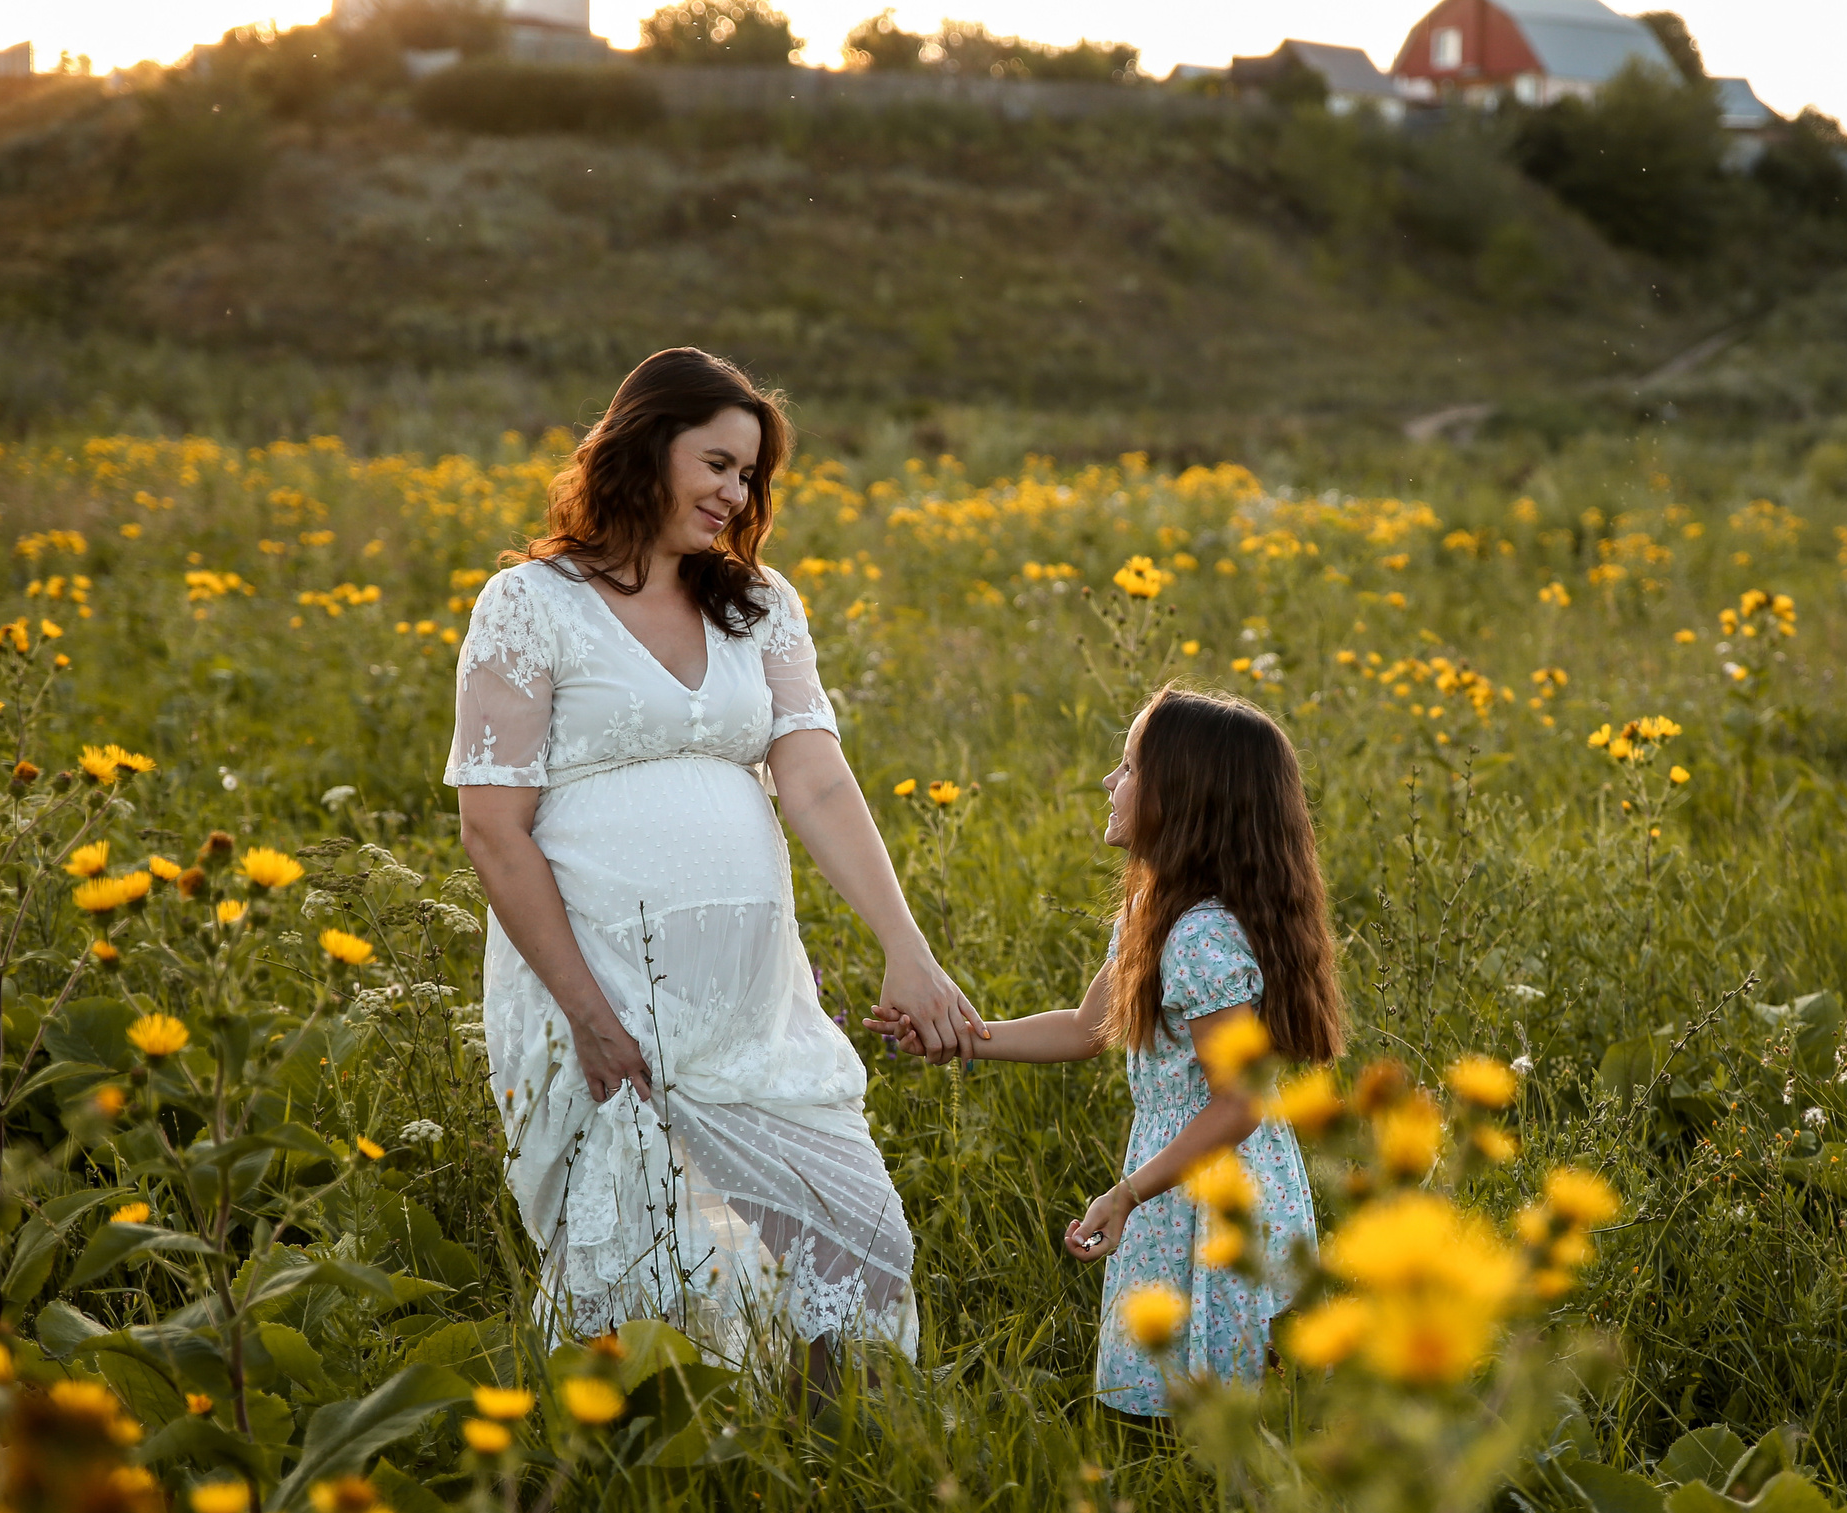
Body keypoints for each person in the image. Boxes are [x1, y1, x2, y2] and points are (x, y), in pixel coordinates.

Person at [447, 347, 983, 1376]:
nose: (737, 494)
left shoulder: (761, 604)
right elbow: (492, 830)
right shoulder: (531, 605)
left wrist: (905, 951)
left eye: (750, 477)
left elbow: (818, 782)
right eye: (719, 464)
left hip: (754, 1008)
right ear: (647, 448)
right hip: (603, 986)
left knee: (861, 1238)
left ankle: (834, 1474)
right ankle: (650, 1475)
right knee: (647, 1262)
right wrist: (588, 1016)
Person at [873, 686, 1343, 1415]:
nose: (1108, 782)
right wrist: (966, 1036)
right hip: (1173, 1174)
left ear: (1182, 799)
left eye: (1127, 768)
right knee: (1182, 1398)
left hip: (1215, 1192)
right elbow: (1087, 1026)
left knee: (1222, 1405)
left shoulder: (1201, 938)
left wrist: (1128, 1192)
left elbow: (1239, 1103)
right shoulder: (1150, 914)